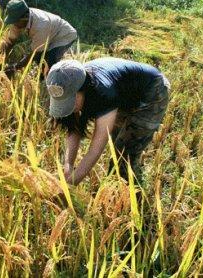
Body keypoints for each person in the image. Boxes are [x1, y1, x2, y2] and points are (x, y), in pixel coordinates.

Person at [46, 58, 170, 186]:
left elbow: (96, 148)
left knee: (123, 153)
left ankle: (125, 193)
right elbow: (73, 128)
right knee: (117, 137)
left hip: (153, 90)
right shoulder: (68, 81)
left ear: (83, 89)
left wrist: (69, 185)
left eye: (70, 102)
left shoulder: (103, 92)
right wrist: (68, 166)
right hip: (123, 94)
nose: (68, 108)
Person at [1, 0, 78, 77]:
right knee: (40, 59)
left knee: (50, 63)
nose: (14, 25)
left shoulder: (41, 25)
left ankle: (49, 80)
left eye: (16, 22)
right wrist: (2, 59)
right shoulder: (18, 20)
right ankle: (42, 75)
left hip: (64, 36)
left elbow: (35, 53)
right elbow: (10, 41)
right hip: (48, 33)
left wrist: (15, 67)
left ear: (25, 17)